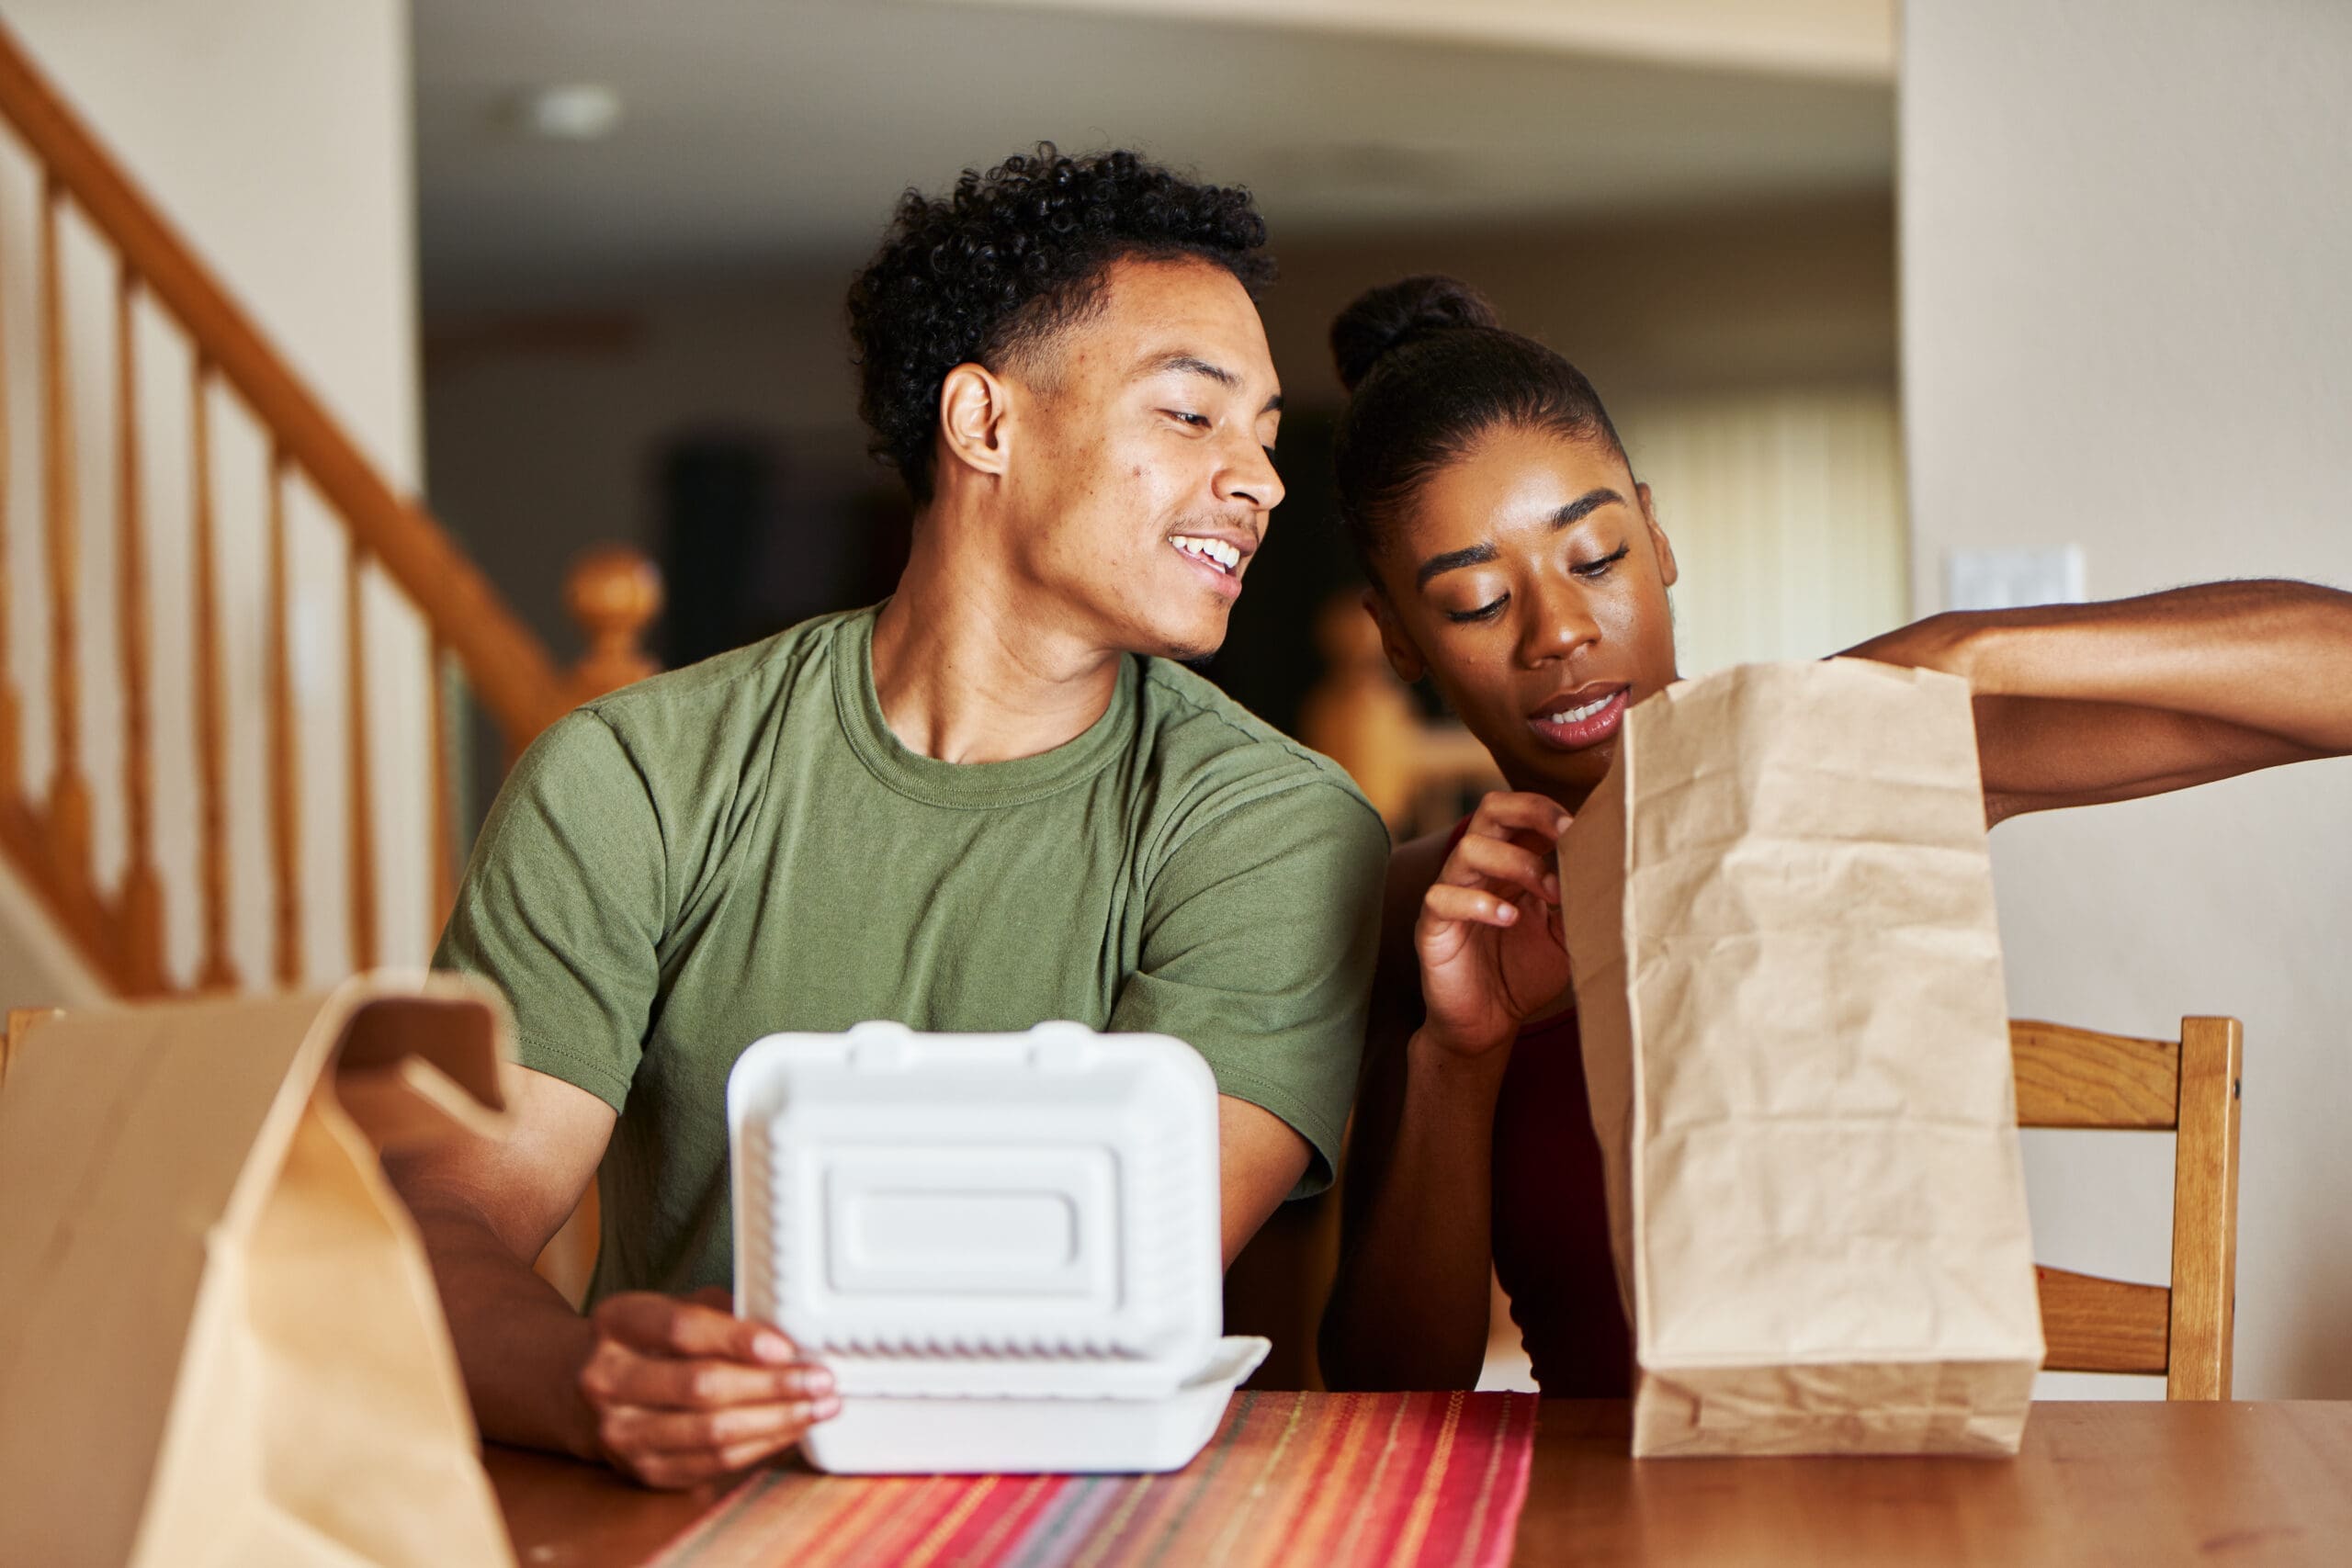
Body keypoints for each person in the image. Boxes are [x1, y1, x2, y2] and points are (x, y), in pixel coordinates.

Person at [391, 146, 1388, 1488]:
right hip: (691, 1511)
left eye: (1265, 435)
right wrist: (582, 1379)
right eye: (1193, 416)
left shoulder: (1277, 825)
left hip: (1087, 1507)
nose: (1260, 480)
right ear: (983, 423)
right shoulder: (631, 773)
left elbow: (1118, 1272)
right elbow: (442, 1211)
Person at [1314, 275, 2352, 1395]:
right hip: (1604, 1523)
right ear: (1400, 640)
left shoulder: (1839, 762)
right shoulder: (1421, 916)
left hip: (1898, 1503)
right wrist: (1458, 1058)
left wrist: (1971, 654)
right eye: (1474, 603)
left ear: (1658, 537)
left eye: (1598, 557)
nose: (1560, 631)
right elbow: (1388, 1390)